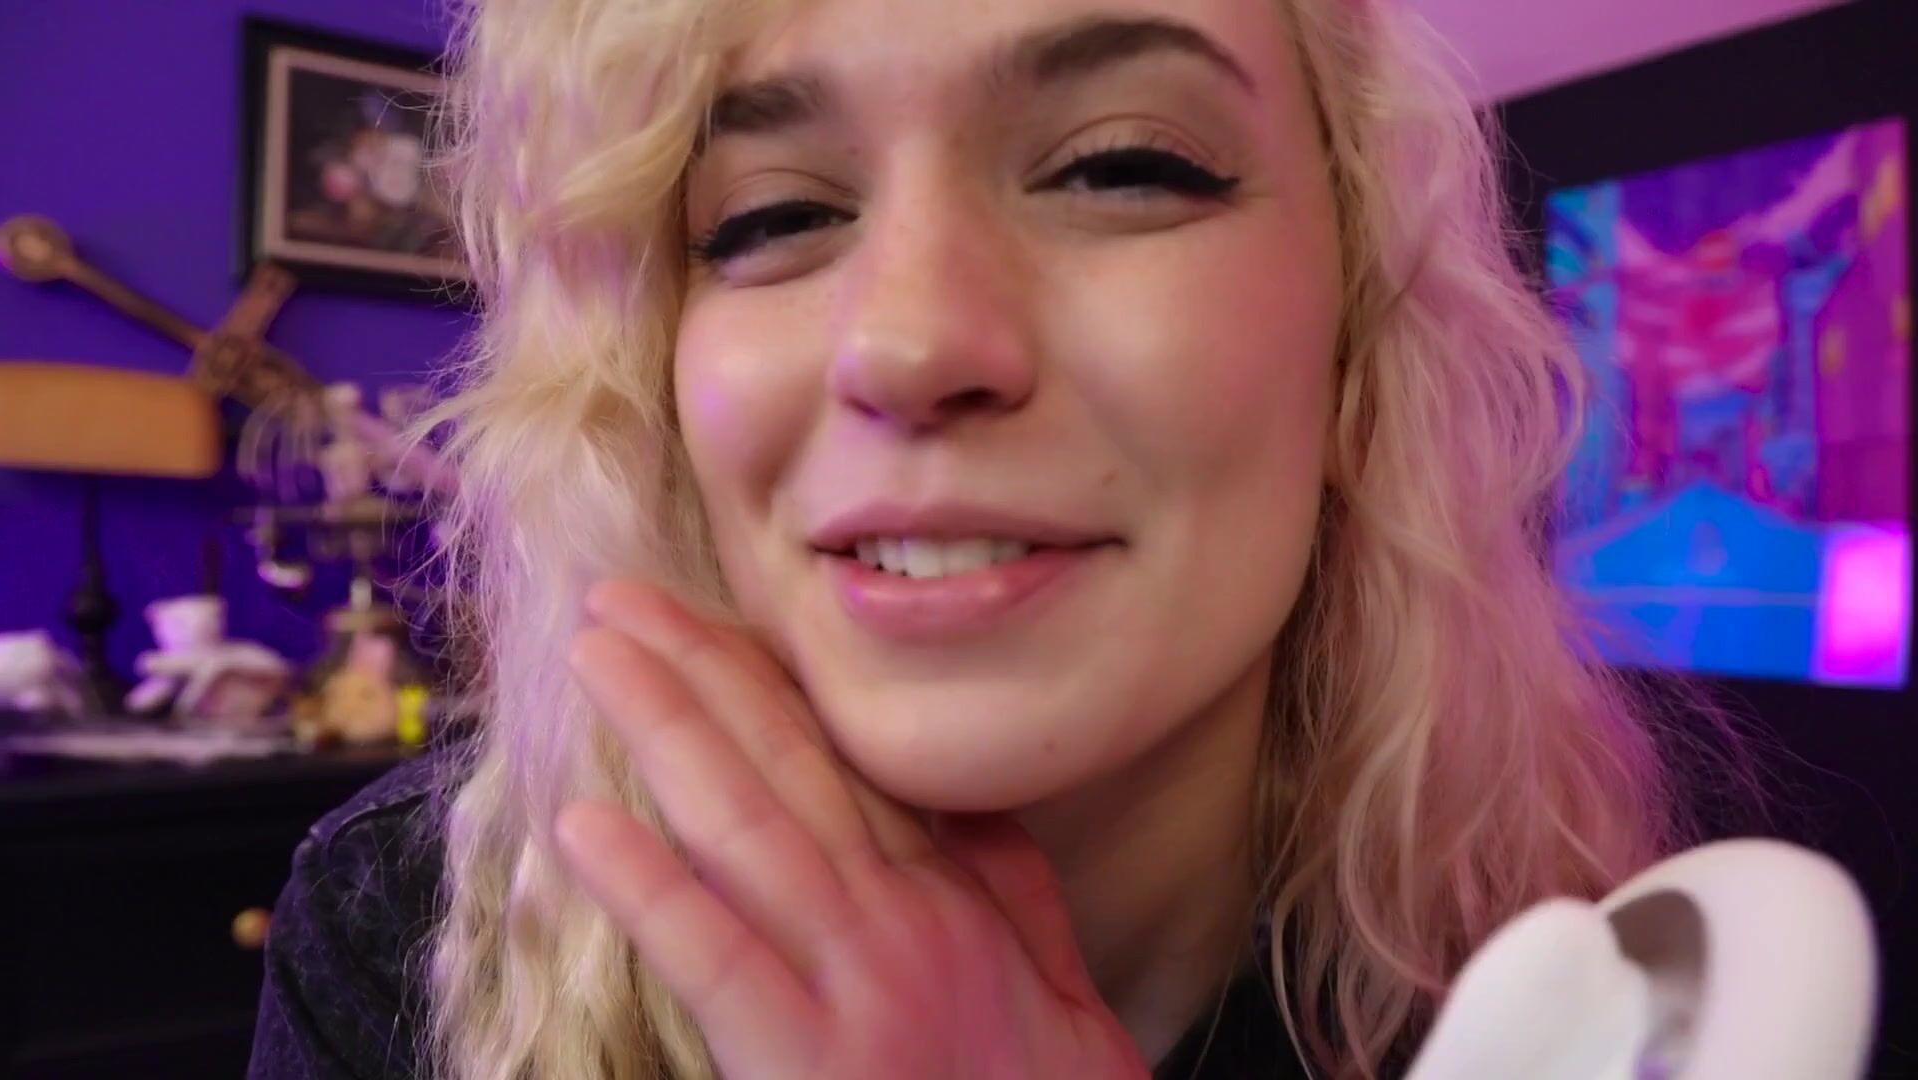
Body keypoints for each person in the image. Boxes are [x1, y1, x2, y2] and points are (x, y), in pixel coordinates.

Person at [248, 0, 1719, 1076]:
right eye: (767, 219)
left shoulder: (1624, 988)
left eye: (1120, 168)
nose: (910, 344)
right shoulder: (405, 941)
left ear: (1356, 336)